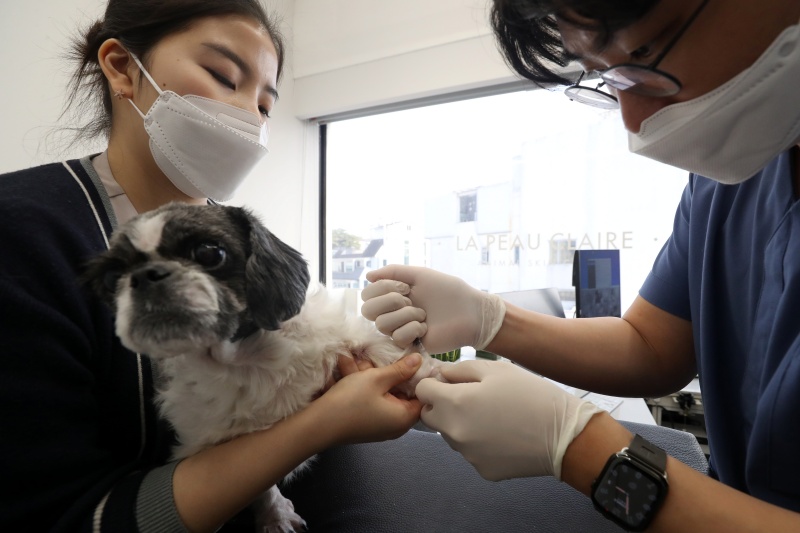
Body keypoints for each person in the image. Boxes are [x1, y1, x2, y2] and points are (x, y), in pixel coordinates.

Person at [361, 0, 800, 531]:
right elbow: (652, 345)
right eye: (607, 80)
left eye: (642, 53)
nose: (634, 121)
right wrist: (490, 319)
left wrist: (581, 449)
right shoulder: (730, 177)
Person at [0, 1, 423, 532]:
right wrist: (319, 425)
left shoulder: (244, 241)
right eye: (224, 76)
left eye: (266, 106)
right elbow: (63, 514)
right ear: (122, 67)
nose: (247, 115)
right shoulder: (22, 231)